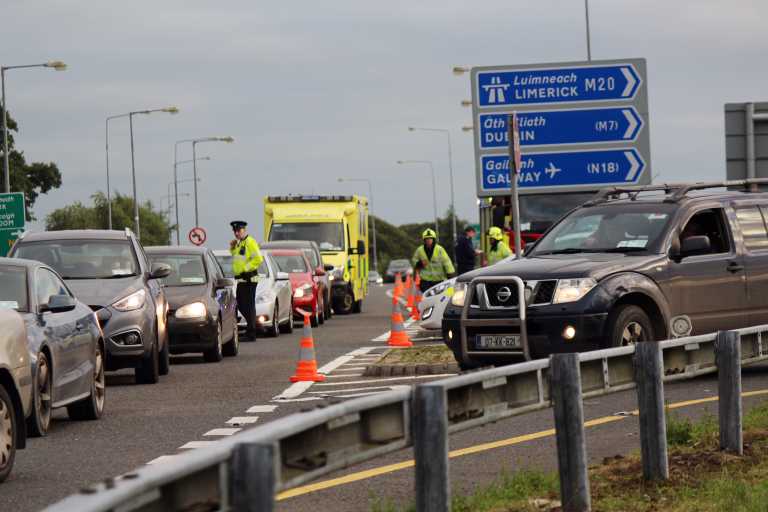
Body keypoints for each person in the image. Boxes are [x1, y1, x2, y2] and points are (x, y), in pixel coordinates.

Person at [229, 220, 264, 340]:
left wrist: (246, 269)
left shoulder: (250, 242)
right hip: (242, 280)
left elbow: (258, 259)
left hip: (249, 279)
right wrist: (232, 249)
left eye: (238, 230)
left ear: (244, 230)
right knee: (241, 304)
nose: (236, 233)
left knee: (248, 306)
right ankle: (255, 327)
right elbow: (238, 259)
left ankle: (252, 332)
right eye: (235, 231)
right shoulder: (239, 243)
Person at [411, 228, 455, 293]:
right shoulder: (419, 250)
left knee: (438, 299)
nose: (428, 240)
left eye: (430, 238)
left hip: (439, 281)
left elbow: (447, 263)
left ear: (433, 239)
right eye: (426, 239)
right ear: (424, 240)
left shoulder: (440, 249)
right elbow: (414, 261)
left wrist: (450, 276)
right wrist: (419, 263)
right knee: (427, 300)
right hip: (425, 281)